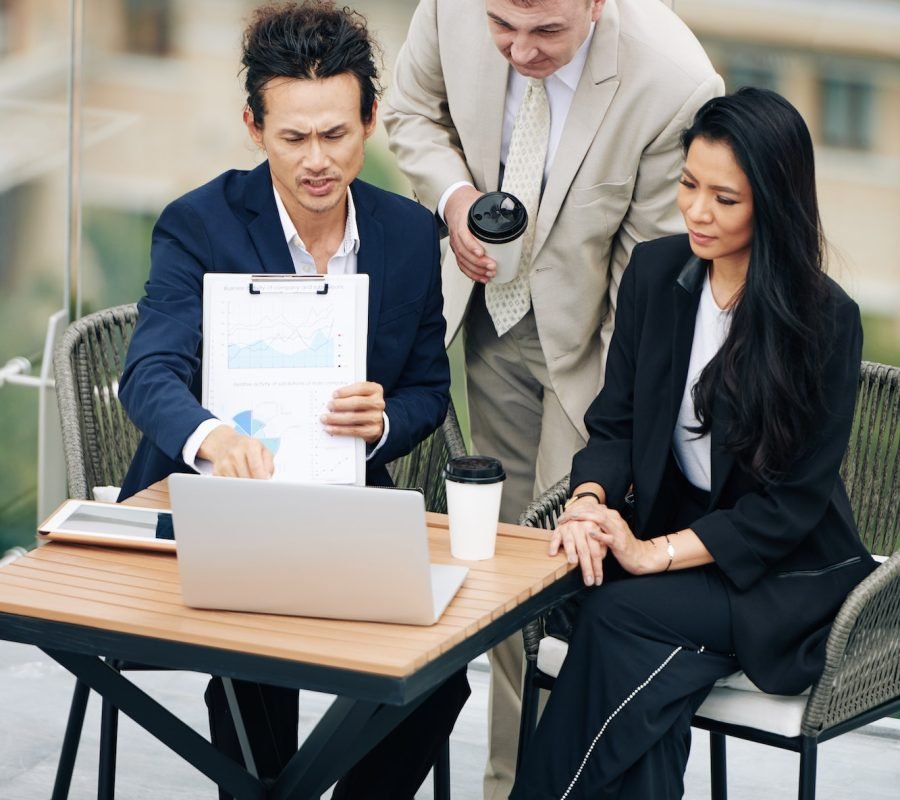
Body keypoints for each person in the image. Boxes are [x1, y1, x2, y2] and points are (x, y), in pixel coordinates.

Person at [117, 3, 469, 797]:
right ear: (254, 127)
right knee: (256, 657)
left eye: (336, 134)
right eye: (293, 137)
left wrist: (383, 422)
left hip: (345, 497)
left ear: (370, 120)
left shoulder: (409, 235)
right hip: (218, 503)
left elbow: (428, 390)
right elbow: (149, 372)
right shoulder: (197, 223)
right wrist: (212, 438)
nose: (317, 161)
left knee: (439, 667)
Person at [382, 0, 722, 793]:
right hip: (486, 319)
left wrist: (609, 437)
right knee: (505, 572)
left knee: (560, 574)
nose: (520, 51)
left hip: (596, 348)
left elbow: (646, 287)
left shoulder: (673, 81)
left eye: (547, 33)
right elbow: (409, 111)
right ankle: (508, 781)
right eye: (503, 25)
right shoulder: (451, 7)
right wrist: (455, 199)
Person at [509, 87, 878, 799]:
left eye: (724, 198)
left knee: (614, 614)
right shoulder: (654, 273)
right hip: (678, 545)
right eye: (688, 185)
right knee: (618, 648)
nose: (697, 212)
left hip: (778, 571)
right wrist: (588, 502)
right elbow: (615, 423)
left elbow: (790, 508)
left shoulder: (825, 321)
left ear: (773, 203)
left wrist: (653, 554)